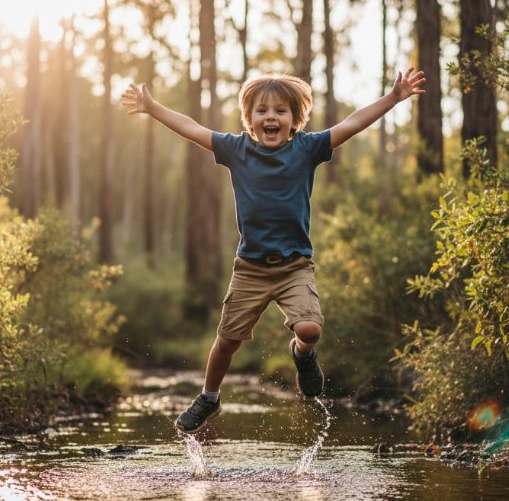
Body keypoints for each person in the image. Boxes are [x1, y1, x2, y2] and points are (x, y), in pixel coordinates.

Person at [121, 67, 426, 434]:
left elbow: (352, 123)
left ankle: (301, 353)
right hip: (249, 268)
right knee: (227, 341)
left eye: (281, 111)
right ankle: (209, 397)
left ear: (296, 119)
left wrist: (393, 98)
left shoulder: (308, 148)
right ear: (248, 119)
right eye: (262, 111)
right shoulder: (236, 149)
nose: (271, 117)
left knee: (310, 328)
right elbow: (192, 128)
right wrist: (154, 108)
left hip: (295, 266)